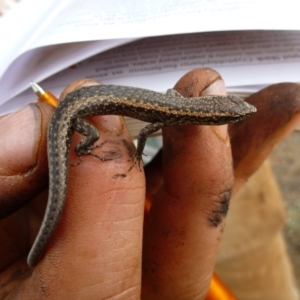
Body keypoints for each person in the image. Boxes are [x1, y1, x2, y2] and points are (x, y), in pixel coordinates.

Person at [0, 68, 299, 299]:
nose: (242, 111)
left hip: (81, 104)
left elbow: (167, 98)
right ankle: (83, 149)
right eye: (232, 112)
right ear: (212, 115)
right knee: (89, 141)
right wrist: (134, 153)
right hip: (76, 109)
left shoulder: (173, 109)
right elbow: (143, 134)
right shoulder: (173, 117)